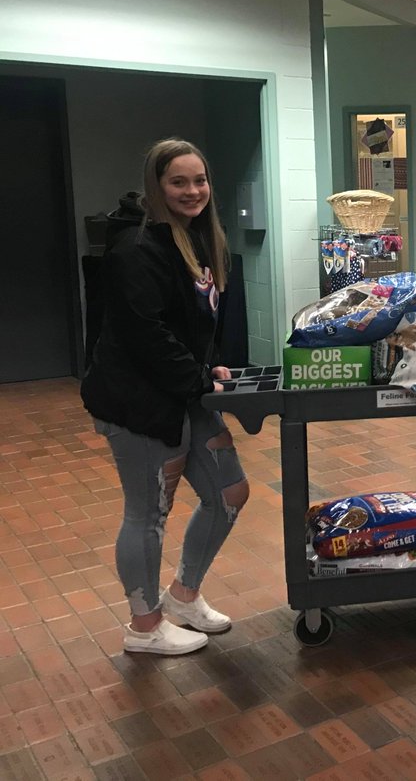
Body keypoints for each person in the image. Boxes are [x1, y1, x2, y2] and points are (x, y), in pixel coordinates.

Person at [81, 138, 248, 656]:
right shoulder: (136, 248)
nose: (192, 190)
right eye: (178, 181)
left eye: (199, 180)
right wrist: (198, 380)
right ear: (157, 186)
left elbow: (186, 323)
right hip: (139, 403)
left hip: (181, 393)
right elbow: (145, 336)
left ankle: (183, 596)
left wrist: (205, 368)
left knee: (229, 493)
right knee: (147, 514)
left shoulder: (197, 241)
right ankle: (144, 627)